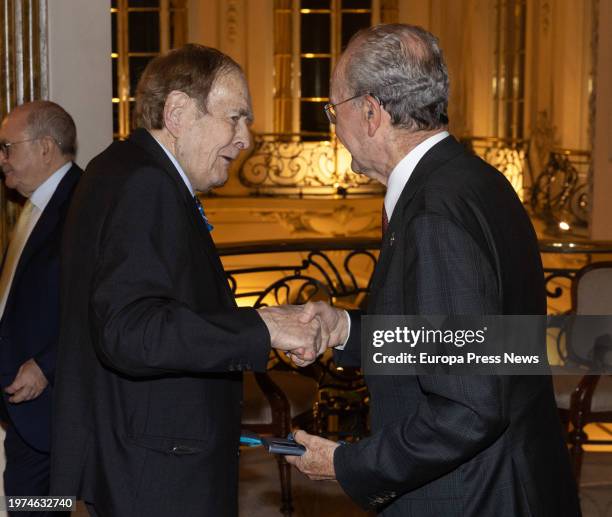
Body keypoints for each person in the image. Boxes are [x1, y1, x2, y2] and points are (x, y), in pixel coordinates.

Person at [286, 24, 581, 516]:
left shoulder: (434, 215)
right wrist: (343, 330)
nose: (333, 127)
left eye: (333, 110)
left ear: (370, 112)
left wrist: (350, 463)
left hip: (470, 495)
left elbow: (467, 408)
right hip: (508, 480)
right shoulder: (476, 179)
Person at [49, 44, 320, 517]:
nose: (246, 139)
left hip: (130, 457)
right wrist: (264, 327)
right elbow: (130, 330)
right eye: (235, 117)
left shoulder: (118, 168)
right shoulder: (146, 184)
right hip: (158, 475)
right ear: (177, 112)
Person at [0, 101, 81, 517]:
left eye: (8, 147)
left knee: (38, 510)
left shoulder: (83, 205)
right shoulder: (34, 206)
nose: (2, 160)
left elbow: (95, 305)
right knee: (29, 508)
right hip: (27, 413)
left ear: (46, 147)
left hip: (57, 405)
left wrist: (46, 366)